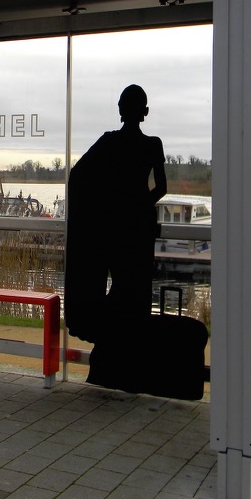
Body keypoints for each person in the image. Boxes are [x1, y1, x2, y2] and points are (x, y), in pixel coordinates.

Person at [65, 84, 166, 340]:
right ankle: (127, 347)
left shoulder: (109, 142)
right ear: (145, 111)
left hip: (115, 226)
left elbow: (78, 177)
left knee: (123, 285)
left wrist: (103, 206)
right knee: (136, 289)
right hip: (139, 225)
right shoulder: (153, 145)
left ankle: (114, 346)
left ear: (120, 109)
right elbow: (161, 187)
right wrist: (140, 204)